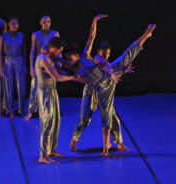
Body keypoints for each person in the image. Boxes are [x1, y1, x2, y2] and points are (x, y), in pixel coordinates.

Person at [60, 14, 155, 156]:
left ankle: (145, 35)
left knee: (126, 57)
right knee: (85, 118)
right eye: (67, 58)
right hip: (92, 89)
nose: (69, 60)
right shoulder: (72, 67)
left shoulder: (86, 55)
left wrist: (94, 21)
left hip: (105, 82)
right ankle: (75, 139)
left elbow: (91, 37)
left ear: (76, 54)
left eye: (70, 57)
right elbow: (58, 64)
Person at [63, 41, 132, 152]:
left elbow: (110, 78)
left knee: (114, 119)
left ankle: (119, 143)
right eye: (103, 53)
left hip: (103, 91)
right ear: (99, 52)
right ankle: (74, 140)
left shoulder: (108, 63)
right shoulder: (96, 59)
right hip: (91, 92)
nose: (106, 55)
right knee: (84, 119)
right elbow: (106, 69)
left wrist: (124, 71)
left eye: (108, 53)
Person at [35, 37, 84, 164]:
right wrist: (74, 78)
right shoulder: (44, 59)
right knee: (47, 122)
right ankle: (43, 155)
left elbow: (64, 65)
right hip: (45, 92)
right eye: (59, 51)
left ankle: (51, 149)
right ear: (53, 49)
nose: (59, 54)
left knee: (56, 120)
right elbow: (56, 77)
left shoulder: (51, 55)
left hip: (52, 91)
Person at [23, 13, 60, 121]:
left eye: (48, 22)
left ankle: (50, 111)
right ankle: (31, 111)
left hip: (51, 62)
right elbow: (33, 51)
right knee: (35, 87)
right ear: (40, 23)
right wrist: (31, 67)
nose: (46, 24)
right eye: (44, 22)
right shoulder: (35, 34)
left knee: (51, 87)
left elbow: (58, 49)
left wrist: (59, 63)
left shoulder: (55, 34)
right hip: (39, 63)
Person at [0, 16, 26, 120]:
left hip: (19, 60)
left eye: (17, 24)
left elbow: (24, 52)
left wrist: (24, 65)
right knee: (9, 87)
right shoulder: (3, 37)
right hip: (8, 61)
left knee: (21, 87)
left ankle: (21, 110)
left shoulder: (22, 36)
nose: (15, 26)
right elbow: (1, 53)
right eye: (13, 23)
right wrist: (1, 68)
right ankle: (10, 111)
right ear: (8, 24)